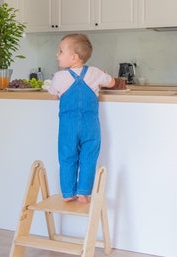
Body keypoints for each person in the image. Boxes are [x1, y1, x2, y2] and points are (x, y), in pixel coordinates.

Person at [48, 33, 115, 203]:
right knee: (88, 158)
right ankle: (83, 193)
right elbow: (112, 83)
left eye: (60, 51)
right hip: (90, 126)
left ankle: (68, 193)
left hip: (68, 127)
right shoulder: (94, 72)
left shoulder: (59, 77)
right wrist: (105, 76)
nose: (57, 54)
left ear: (74, 57)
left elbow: (53, 95)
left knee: (67, 157)